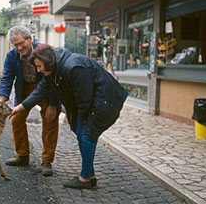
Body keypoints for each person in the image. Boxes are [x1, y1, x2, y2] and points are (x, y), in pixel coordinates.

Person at [10, 44, 128, 189]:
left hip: (105, 102)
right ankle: (89, 176)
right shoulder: (52, 71)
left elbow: (84, 97)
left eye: (39, 66)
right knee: (81, 133)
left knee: (86, 134)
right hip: (89, 103)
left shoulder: (73, 66)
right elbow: (40, 91)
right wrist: (20, 108)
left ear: (47, 61)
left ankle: (85, 179)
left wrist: (82, 120)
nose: (38, 70)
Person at [0, 25, 60, 176]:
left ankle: (46, 161)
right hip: (24, 88)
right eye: (15, 45)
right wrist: (0, 98)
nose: (18, 48)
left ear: (30, 39)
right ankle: (22, 155)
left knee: (50, 120)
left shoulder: (44, 51)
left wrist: (52, 104)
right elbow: (7, 79)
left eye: (21, 43)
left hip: (45, 89)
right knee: (16, 118)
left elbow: (54, 79)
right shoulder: (11, 56)